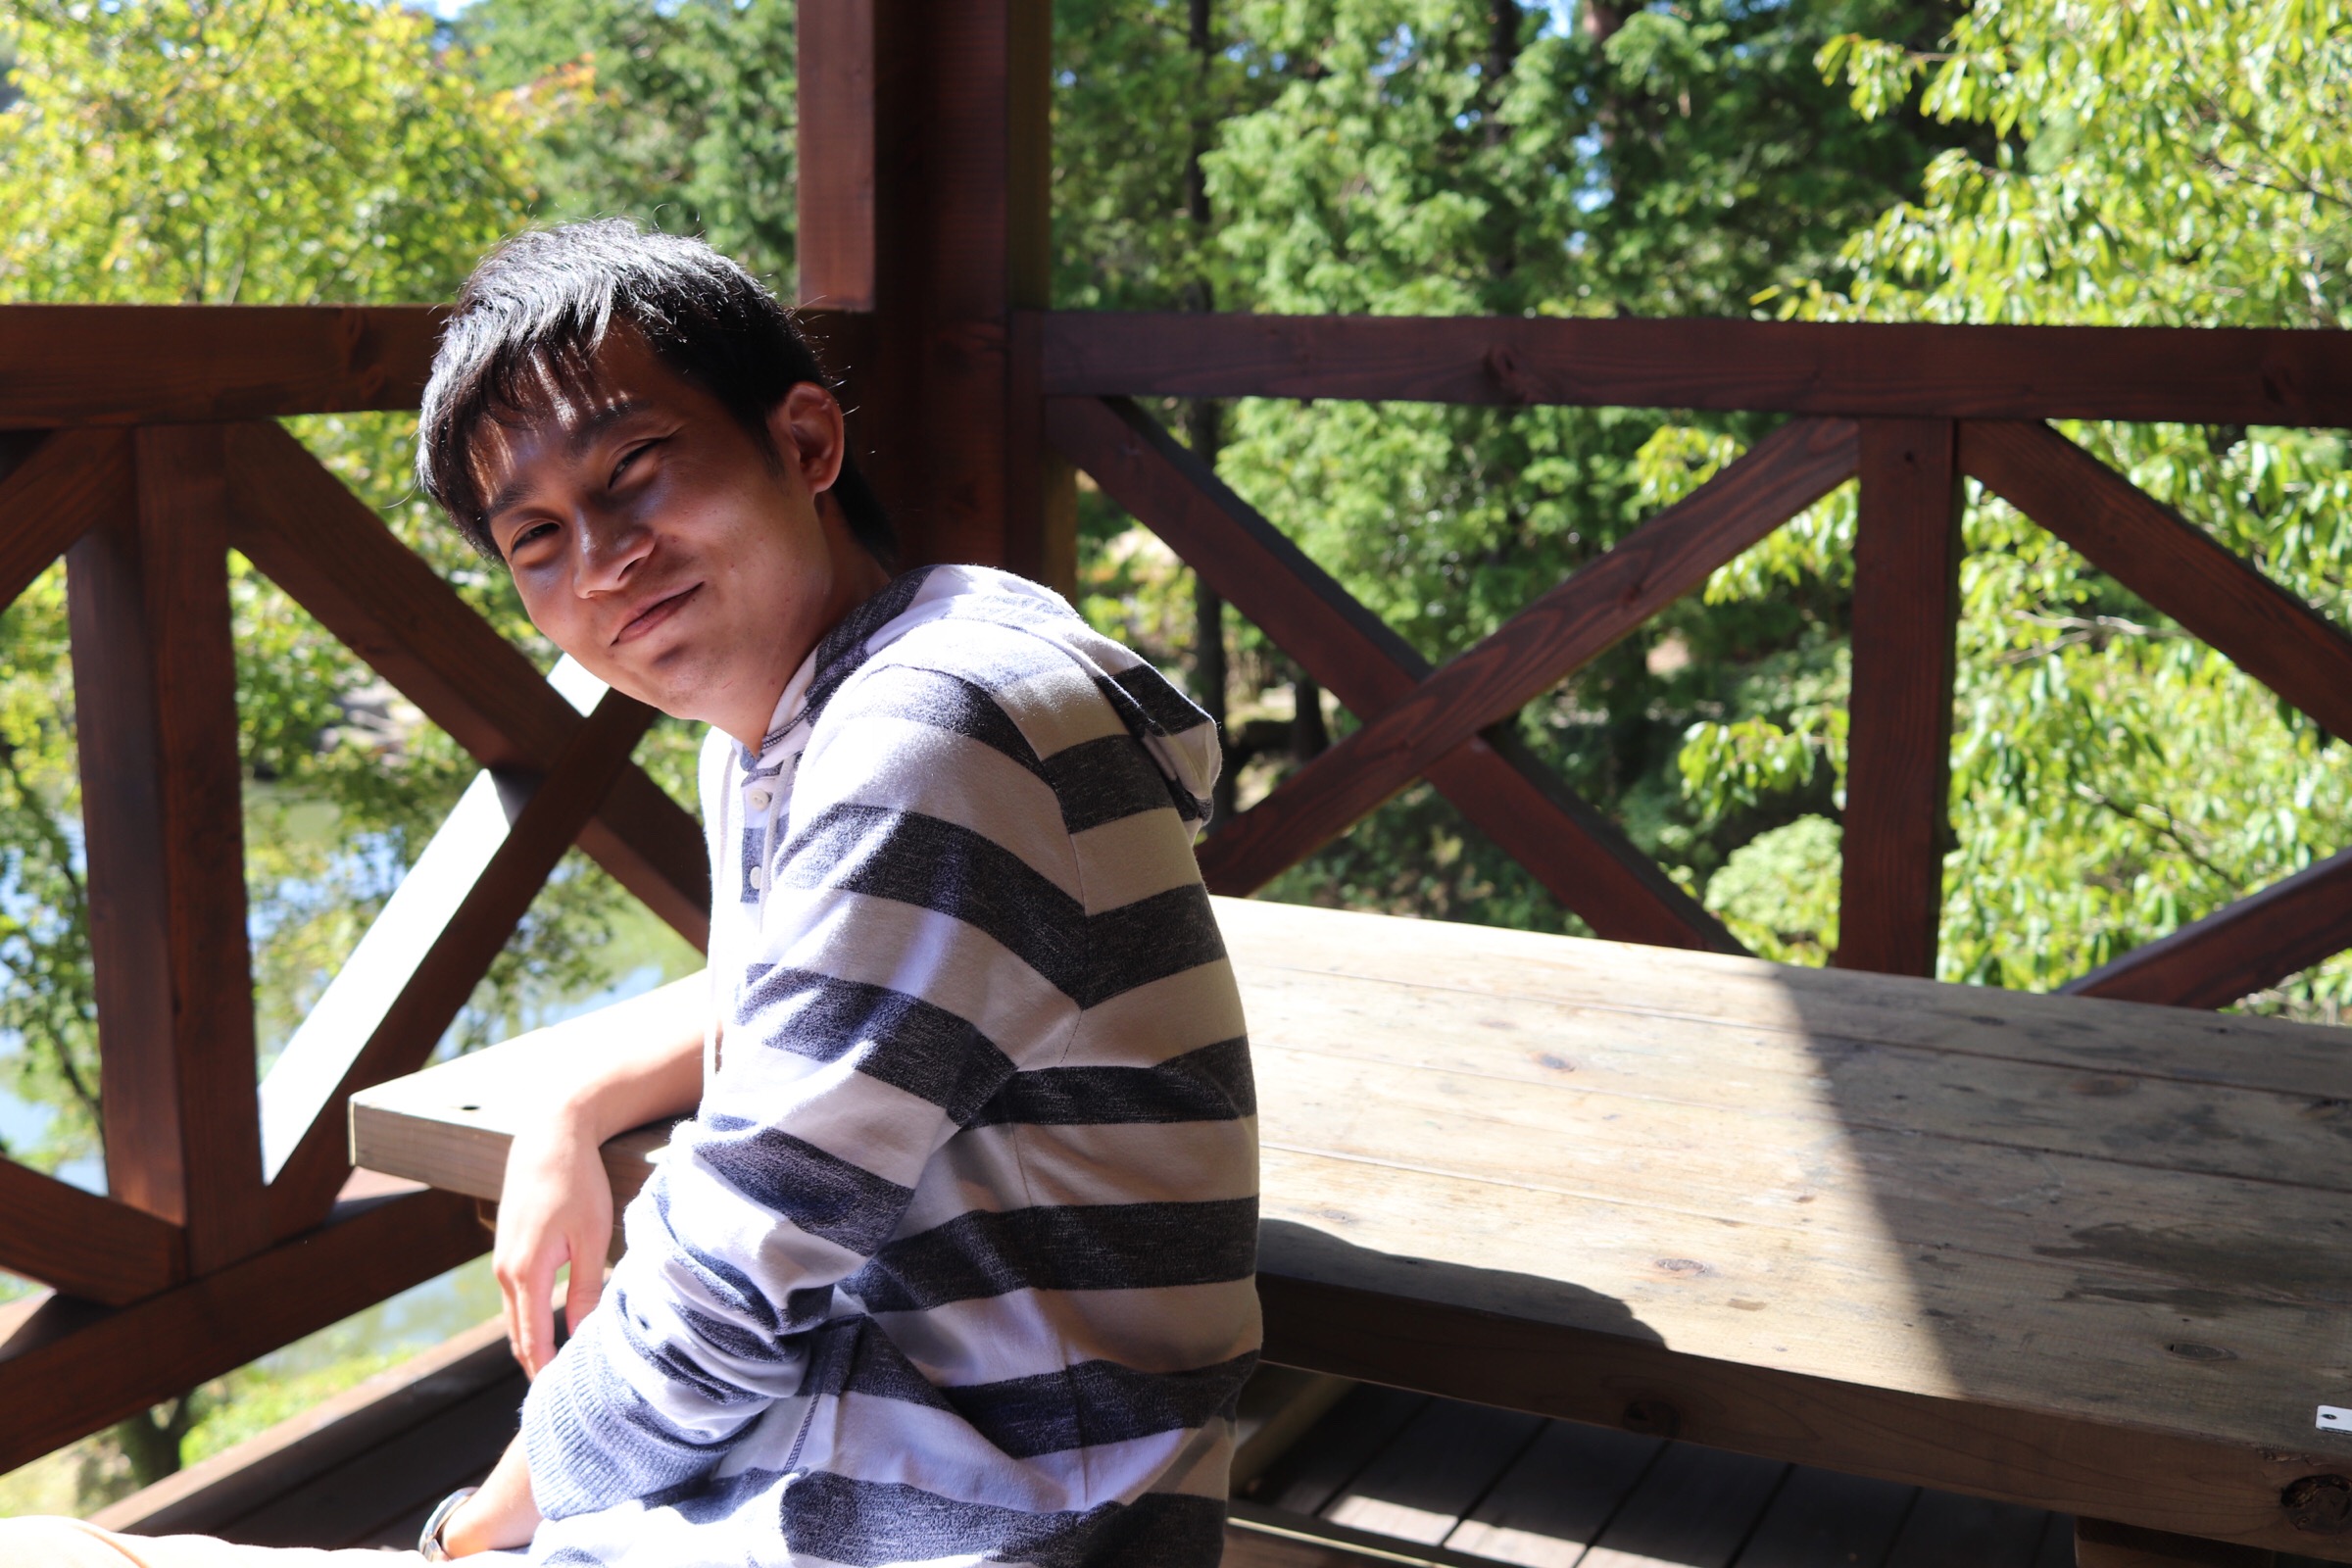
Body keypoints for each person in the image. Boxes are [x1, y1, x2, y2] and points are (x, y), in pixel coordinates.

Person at [0, 220, 1258, 1568]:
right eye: (536, 535)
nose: (602, 558)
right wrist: (574, 1103)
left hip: (979, 1521)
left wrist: (468, 1537)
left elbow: (734, 1278)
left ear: (806, 441)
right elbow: (799, 1002)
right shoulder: (798, 725)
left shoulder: (933, 733)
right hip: (833, 1476)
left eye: (635, 469)